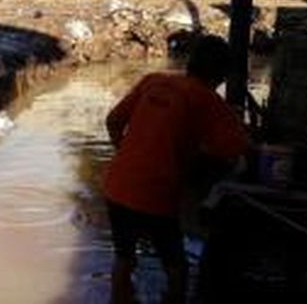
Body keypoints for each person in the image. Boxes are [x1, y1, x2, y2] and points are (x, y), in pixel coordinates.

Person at [103, 35, 249, 304]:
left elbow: (113, 121)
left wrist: (126, 154)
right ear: (220, 75)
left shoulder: (154, 81)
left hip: (116, 186)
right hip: (157, 195)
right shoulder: (209, 101)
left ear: (190, 62)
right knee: (176, 267)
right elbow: (236, 151)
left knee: (124, 258)